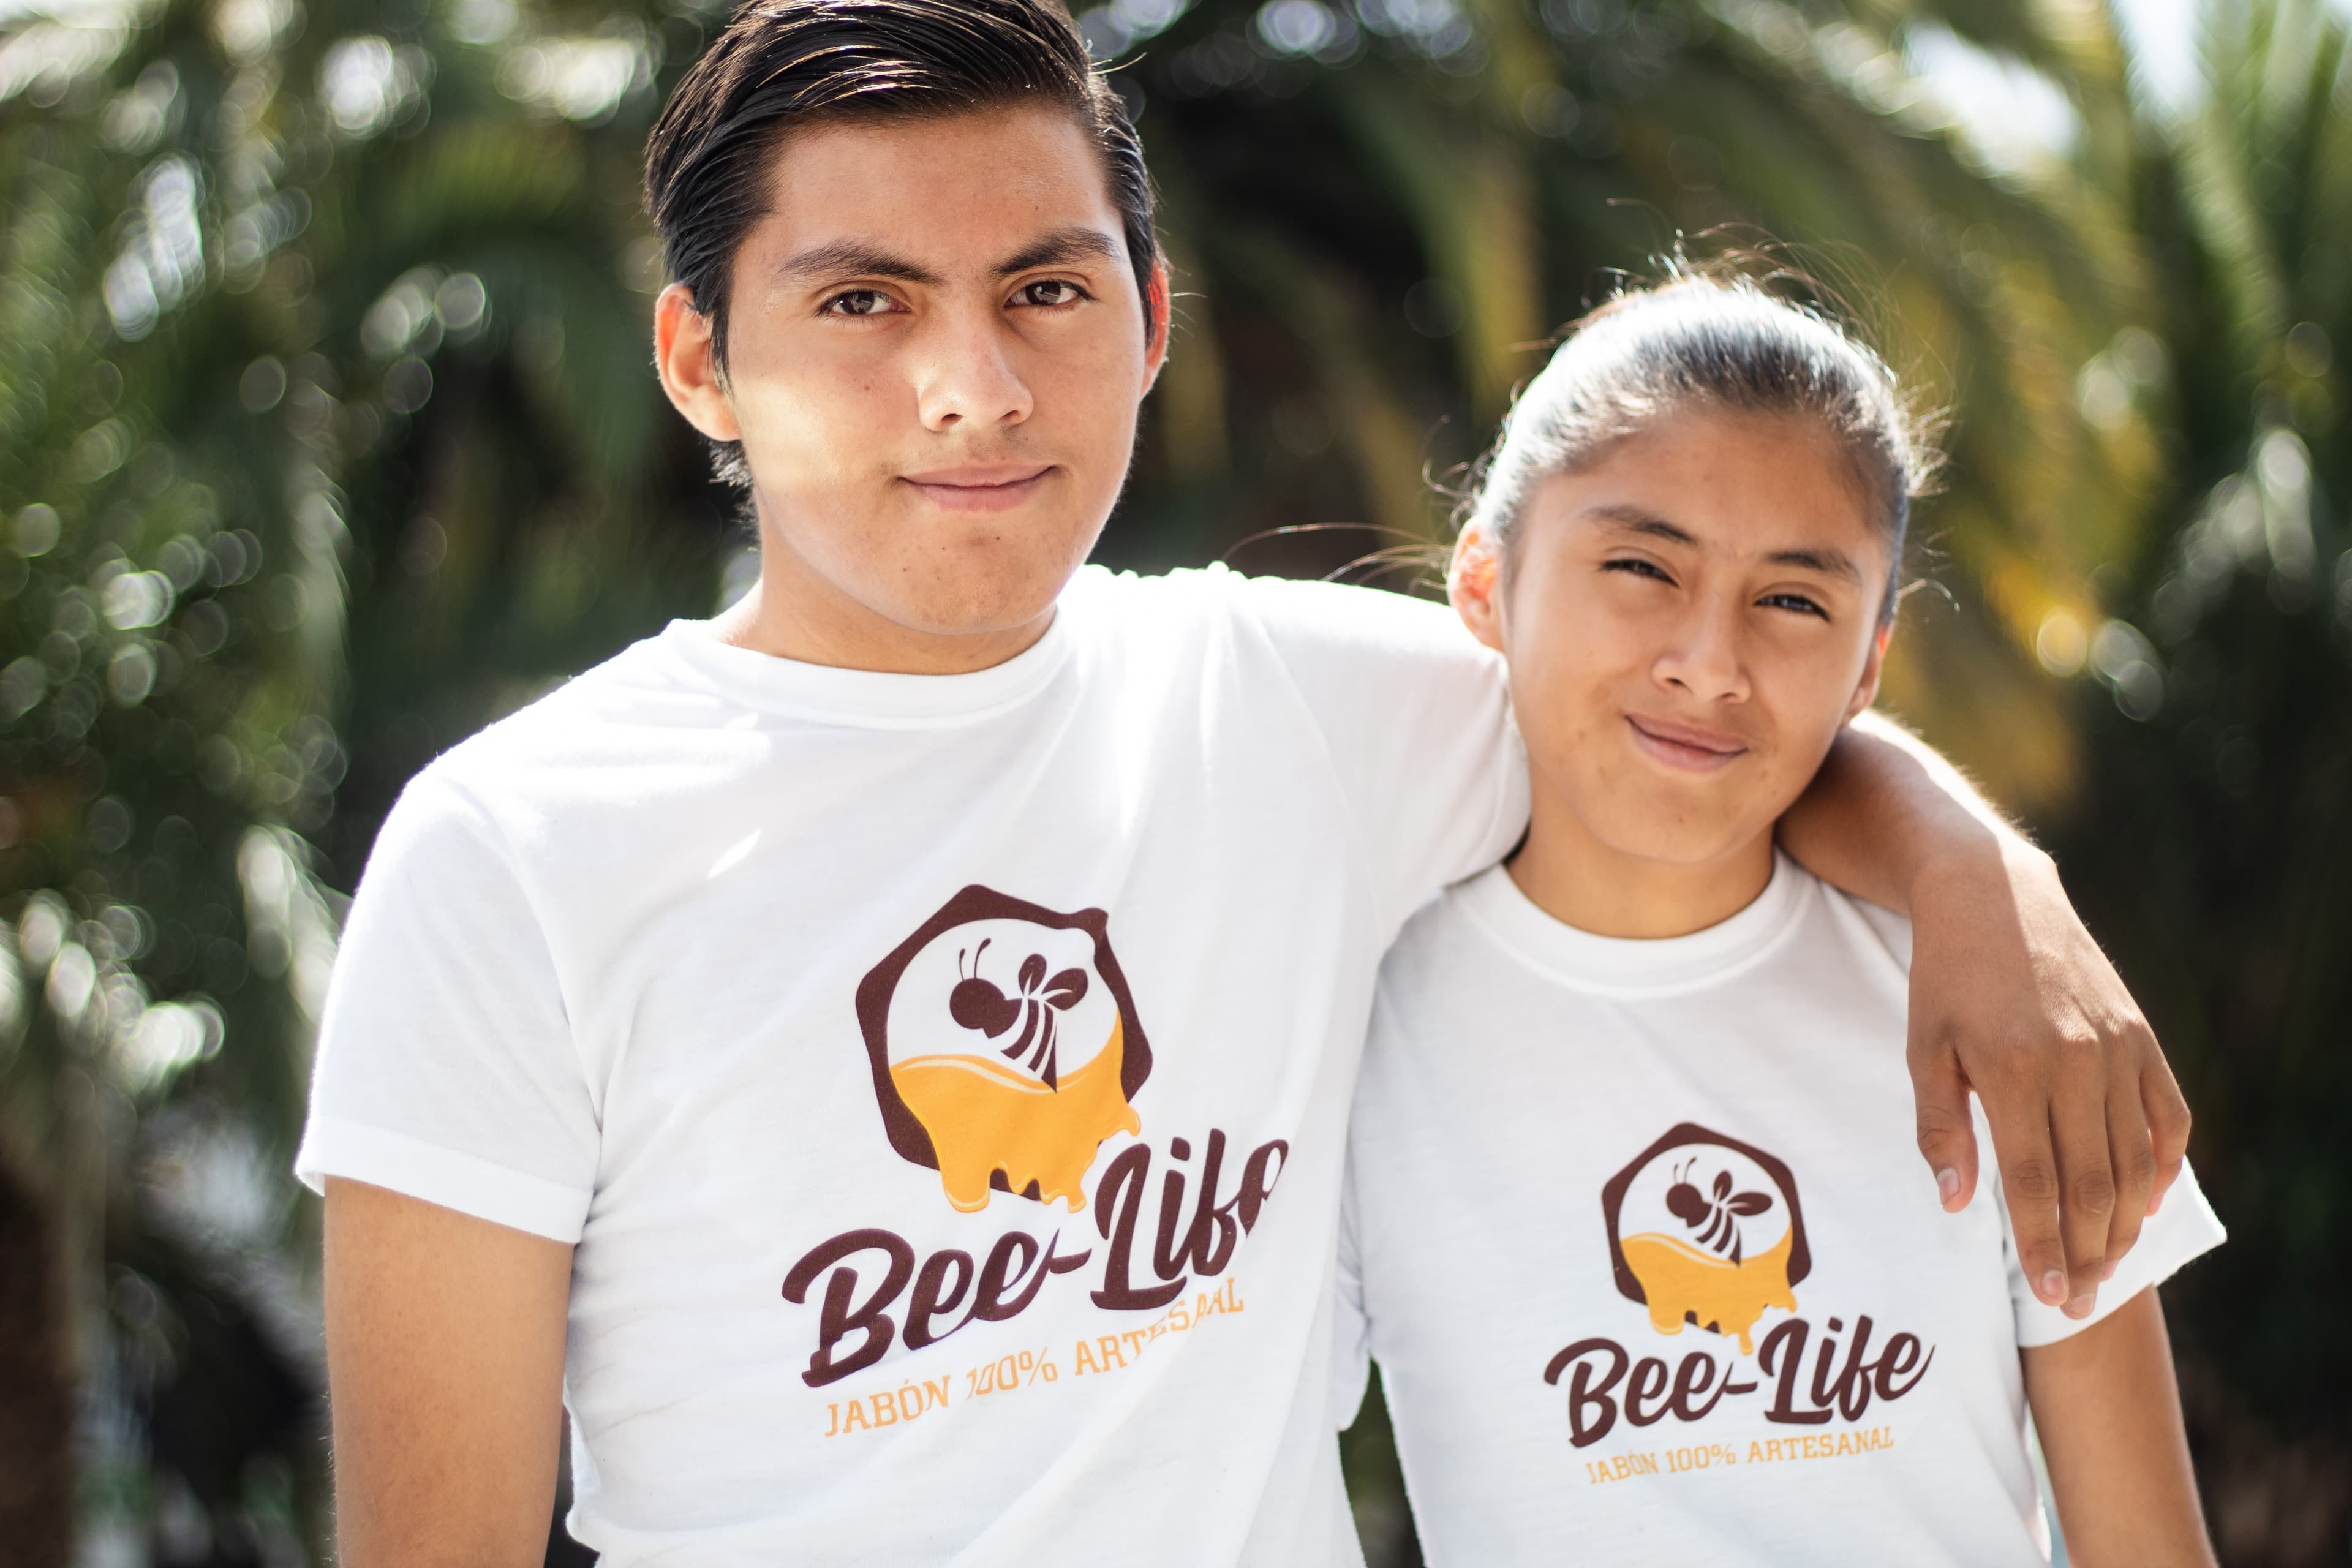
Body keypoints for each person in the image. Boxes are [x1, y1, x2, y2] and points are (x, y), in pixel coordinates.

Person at [297, 3, 2192, 1563]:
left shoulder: (1299, 710)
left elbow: (1692, 717)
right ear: (701, 359)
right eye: (863, 304)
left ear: (1148, 315)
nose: (976, 386)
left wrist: (1976, 883)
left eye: (1044, 291)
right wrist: (1986, 883)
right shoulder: (512, 856)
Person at [1335, 274, 2223, 1564]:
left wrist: (1976, 878)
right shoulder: (1351, 1033)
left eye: (1794, 600)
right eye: (1641, 566)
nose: (1709, 664)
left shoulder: (1997, 1005)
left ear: (1870, 663)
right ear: (1485, 581)